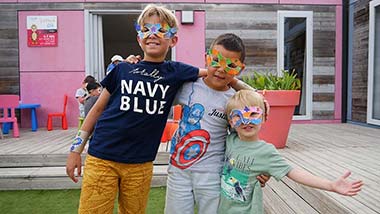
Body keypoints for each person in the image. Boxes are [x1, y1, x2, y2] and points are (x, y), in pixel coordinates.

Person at [66, 4, 210, 213]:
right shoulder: (122, 68)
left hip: (140, 163)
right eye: (146, 30)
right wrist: (75, 151)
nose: (153, 35)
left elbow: (215, 73)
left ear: (174, 40)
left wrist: (248, 91)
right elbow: (96, 110)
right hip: (102, 157)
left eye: (161, 30)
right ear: (139, 38)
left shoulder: (176, 71)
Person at [165, 33, 268, 214]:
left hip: (212, 173)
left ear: (240, 69)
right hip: (178, 170)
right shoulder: (188, 85)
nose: (221, 69)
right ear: (207, 58)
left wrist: (256, 166)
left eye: (231, 66)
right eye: (216, 61)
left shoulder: (234, 100)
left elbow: (245, 137)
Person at [218, 90, 364, 214]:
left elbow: (293, 172)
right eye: (238, 116)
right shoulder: (231, 140)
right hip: (223, 209)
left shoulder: (266, 152)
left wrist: (330, 185)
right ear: (231, 122)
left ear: (264, 117)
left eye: (253, 114)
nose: (246, 120)